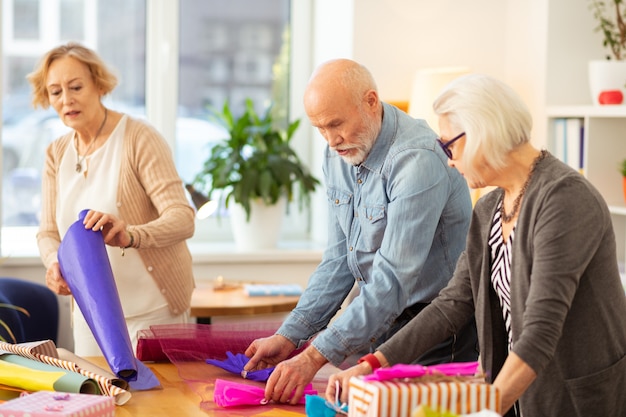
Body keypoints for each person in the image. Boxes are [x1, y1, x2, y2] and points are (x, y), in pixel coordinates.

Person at [326, 73, 626, 416]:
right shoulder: (489, 208)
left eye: (448, 145)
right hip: (520, 393)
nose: (448, 160)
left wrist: (487, 408)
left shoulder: (564, 199)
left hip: (574, 399)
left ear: (482, 131)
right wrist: (371, 364)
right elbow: (453, 303)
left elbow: (541, 330)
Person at [244, 59, 478, 404]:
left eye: (336, 124)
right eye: (319, 128)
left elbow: (393, 280)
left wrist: (313, 356)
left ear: (371, 101)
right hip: (376, 329)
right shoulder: (337, 154)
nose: (331, 139)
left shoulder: (418, 159)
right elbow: (339, 259)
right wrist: (291, 335)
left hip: (435, 336)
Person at [28, 42, 196, 356]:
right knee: (101, 402)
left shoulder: (138, 138)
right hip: (91, 314)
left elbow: (182, 217)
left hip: (154, 312)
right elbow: (48, 233)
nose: (67, 100)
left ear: (98, 83)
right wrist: (55, 264)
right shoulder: (56, 153)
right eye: (55, 92)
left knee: (161, 405)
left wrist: (131, 235)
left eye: (76, 86)